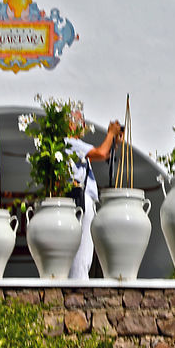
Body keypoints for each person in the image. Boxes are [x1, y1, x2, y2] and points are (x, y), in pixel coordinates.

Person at [67, 119, 123, 280]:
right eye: (78, 121)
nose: (83, 125)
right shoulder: (70, 142)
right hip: (80, 198)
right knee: (82, 249)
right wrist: (111, 133)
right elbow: (100, 153)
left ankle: (79, 280)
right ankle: (78, 283)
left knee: (85, 250)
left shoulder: (75, 144)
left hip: (84, 198)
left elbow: (105, 154)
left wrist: (114, 141)